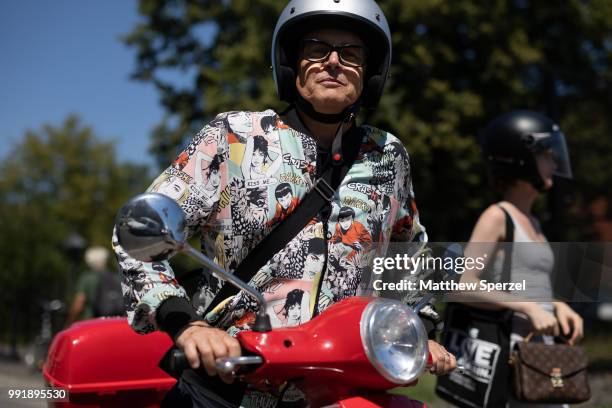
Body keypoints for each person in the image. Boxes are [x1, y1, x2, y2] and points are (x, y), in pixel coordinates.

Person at [112, 1, 456, 406]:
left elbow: (409, 254)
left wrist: (418, 329)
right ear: (290, 64)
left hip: (341, 391)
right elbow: (136, 231)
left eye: (351, 53)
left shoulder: (388, 156)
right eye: (316, 49)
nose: (333, 62)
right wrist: (186, 326)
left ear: (371, 72)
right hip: (228, 386)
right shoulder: (234, 136)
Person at [457, 110, 584, 407]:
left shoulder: (534, 222)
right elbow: (462, 283)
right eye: (546, 155)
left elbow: (525, 282)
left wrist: (555, 305)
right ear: (521, 159)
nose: (554, 163)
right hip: (512, 361)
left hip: (542, 354)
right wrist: (528, 306)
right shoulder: (497, 216)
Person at [66, 246, 123, 325]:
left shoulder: (86, 278)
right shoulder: (115, 277)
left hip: (90, 321)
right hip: (113, 321)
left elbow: (79, 302)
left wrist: (70, 322)